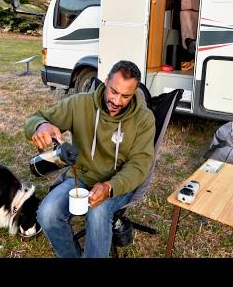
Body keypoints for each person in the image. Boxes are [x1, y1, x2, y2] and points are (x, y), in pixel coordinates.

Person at [25, 60, 155, 258]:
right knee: (47, 213)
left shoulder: (144, 119)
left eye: (126, 96)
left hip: (118, 183)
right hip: (82, 177)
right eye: (113, 91)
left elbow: (139, 165)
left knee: (98, 211)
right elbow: (37, 117)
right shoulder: (80, 104)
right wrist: (40, 126)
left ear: (135, 92)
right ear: (106, 81)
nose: (117, 101)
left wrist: (109, 187)